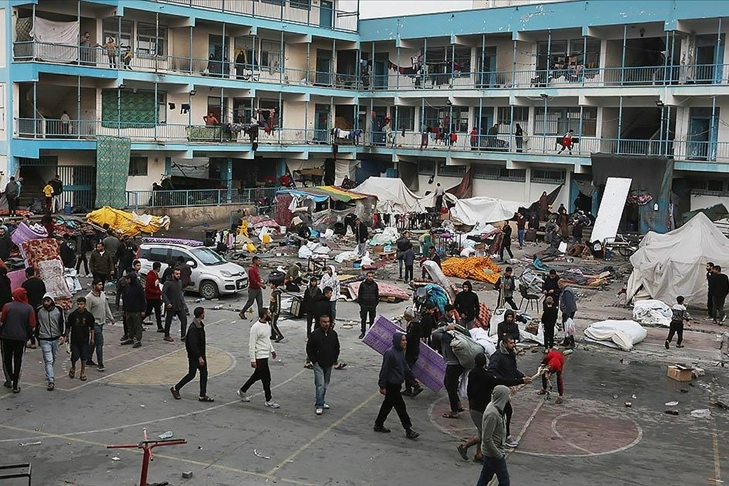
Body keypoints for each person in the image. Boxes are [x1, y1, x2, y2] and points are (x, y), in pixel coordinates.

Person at [373, 332, 420, 440]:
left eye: (405, 340)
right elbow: (384, 370)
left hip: (397, 384)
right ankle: (408, 429)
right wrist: (382, 386)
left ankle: (378, 424)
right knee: (401, 407)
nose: (405, 342)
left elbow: (405, 368)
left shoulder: (400, 352)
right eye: (403, 340)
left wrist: (412, 379)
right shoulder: (390, 353)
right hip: (391, 385)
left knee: (387, 405)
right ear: (397, 341)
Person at [488, 337, 531, 449]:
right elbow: (492, 373)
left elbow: (513, 369)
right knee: (505, 411)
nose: (514, 345)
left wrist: (521, 376)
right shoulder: (497, 356)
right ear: (505, 343)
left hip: (506, 388)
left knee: (504, 412)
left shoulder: (511, 354)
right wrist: (519, 381)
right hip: (500, 389)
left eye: (514, 343)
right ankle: (504, 437)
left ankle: (499, 435)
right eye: (511, 343)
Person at [238, 308, 280, 408]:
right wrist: (253, 360)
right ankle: (268, 400)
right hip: (259, 356)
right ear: (264, 315)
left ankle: (243, 390)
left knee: (257, 375)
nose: (270, 314)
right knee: (266, 378)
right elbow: (251, 345)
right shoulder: (255, 328)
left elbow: (267, 340)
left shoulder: (267, 325)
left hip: (265, 355)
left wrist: (272, 350)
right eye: (268, 313)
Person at [170, 307, 214, 402]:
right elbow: (193, 345)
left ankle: (202, 395)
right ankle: (175, 388)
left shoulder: (199, 325)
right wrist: (199, 357)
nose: (204, 314)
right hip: (195, 356)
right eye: (204, 312)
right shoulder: (194, 328)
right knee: (191, 374)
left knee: (203, 374)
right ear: (201, 314)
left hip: (200, 355)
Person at [0, 288, 37, 393]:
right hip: (21, 338)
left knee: (6, 359)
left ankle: (10, 378)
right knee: (18, 360)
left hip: (6, 337)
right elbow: (32, 324)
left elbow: (2, 320)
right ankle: (16, 384)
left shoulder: (7, 306)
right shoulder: (29, 308)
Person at [476, 385, 512, 486]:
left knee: (485, 477)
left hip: (492, 451)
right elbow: (487, 438)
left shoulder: (496, 408)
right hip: (493, 452)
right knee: (504, 481)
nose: (509, 398)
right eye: (507, 395)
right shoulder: (492, 414)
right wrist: (498, 454)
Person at [457, 352, 490, 462]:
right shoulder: (485, 376)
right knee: (484, 433)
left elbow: (469, 391)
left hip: (474, 405)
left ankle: (478, 454)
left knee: (481, 431)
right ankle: (464, 446)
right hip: (480, 407)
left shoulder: (472, 373)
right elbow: (497, 382)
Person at [306, 314, 340, 415]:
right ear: (320, 323)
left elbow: (336, 347)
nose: (327, 324)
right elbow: (309, 348)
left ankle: (322, 400)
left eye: (328, 322)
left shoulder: (333, 334)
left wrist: (334, 359)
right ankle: (319, 404)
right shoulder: (315, 335)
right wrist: (314, 360)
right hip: (318, 364)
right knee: (320, 384)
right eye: (324, 322)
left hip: (329, 363)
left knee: (325, 384)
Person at [35, 293, 65, 391]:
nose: (46, 303)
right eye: (45, 301)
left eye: (48, 301)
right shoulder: (39, 310)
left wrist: (63, 335)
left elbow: (63, 322)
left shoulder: (59, 310)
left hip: (56, 338)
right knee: (49, 359)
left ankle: (49, 372)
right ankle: (51, 380)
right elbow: (36, 323)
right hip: (44, 338)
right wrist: (37, 337)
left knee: (53, 357)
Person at [85, 279, 114, 372]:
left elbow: (106, 306)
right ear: (94, 286)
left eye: (101, 284)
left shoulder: (102, 294)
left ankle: (88, 359)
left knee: (93, 343)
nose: (101, 286)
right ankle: (100, 363)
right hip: (94, 324)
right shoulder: (88, 298)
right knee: (99, 344)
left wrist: (111, 317)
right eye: (99, 284)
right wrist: (88, 327)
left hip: (101, 323)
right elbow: (87, 313)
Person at [439, 321, 465, 419]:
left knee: (451, 388)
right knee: (448, 384)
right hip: (458, 364)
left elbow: (435, 333)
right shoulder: (457, 336)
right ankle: (458, 405)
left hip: (453, 366)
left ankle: (454, 411)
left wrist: (445, 328)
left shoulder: (446, 337)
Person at [65, 296, 95, 382]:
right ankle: (73, 367)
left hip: (85, 340)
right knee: (75, 356)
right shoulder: (73, 315)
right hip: (74, 340)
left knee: (84, 357)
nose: (79, 306)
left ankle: (82, 372)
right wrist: (67, 337)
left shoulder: (89, 315)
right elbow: (68, 327)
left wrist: (92, 338)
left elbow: (92, 327)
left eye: (81, 304)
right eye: (78, 304)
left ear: (85, 304)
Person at [401, 308, 424, 398]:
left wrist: (403, 336)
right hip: (412, 350)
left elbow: (410, 337)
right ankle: (408, 389)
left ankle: (415, 386)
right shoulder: (414, 324)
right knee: (407, 369)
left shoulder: (414, 326)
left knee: (406, 371)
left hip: (412, 351)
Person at [22, 267, 45, 350]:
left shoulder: (25, 284)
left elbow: (23, 296)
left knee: (30, 324)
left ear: (27, 274)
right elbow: (44, 293)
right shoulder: (40, 282)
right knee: (39, 323)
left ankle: (32, 341)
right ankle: (40, 340)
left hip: (30, 307)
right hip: (40, 306)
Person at [162, 267, 187, 342]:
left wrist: (183, 302)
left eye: (179, 274)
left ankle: (183, 336)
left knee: (184, 320)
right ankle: (166, 335)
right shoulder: (168, 283)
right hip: (171, 305)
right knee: (168, 321)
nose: (178, 275)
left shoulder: (179, 282)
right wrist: (167, 302)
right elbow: (163, 293)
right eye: (176, 274)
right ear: (173, 274)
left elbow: (180, 293)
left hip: (179, 305)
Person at [122, 272, 145, 348]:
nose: (127, 280)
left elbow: (142, 299)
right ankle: (130, 338)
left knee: (137, 326)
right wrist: (124, 309)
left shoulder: (139, 287)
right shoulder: (127, 287)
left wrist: (142, 310)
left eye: (128, 279)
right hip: (128, 310)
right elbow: (125, 298)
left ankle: (138, 340)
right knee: (129, 325)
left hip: (136, 310)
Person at [358, 271, 379, 339]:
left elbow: (377, 295)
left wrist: (375, 304)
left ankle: (371, 333)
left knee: (372, 319)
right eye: (369, 276)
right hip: (364, 305)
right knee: (363, 319)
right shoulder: (362, 284)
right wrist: (361, 303)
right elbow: (359, 294)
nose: (370, 278)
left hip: (372, 305)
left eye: (371, 276)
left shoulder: (375, 285)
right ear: (366, 277)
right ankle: (363, 332)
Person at [145, 262, 163, 333]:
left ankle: (160, 327)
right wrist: (157, 292)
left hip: (156, 297)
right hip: (151, 297)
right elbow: (148, 288)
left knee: (158, 312)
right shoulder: (150, 277)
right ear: (158, 268)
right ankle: (139, 322)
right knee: (148, 311)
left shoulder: (155, 275)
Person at [558, 279, 577, 347]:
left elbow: (569, 304)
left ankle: (571, 342)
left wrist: (567, 314)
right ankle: (566, 341)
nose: (559, 286)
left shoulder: (567, 291)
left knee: (567, 327)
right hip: (568, 311)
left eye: (559, 285)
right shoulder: (568, 289)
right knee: (566, 326)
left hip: (568, 311)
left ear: (561, 283)